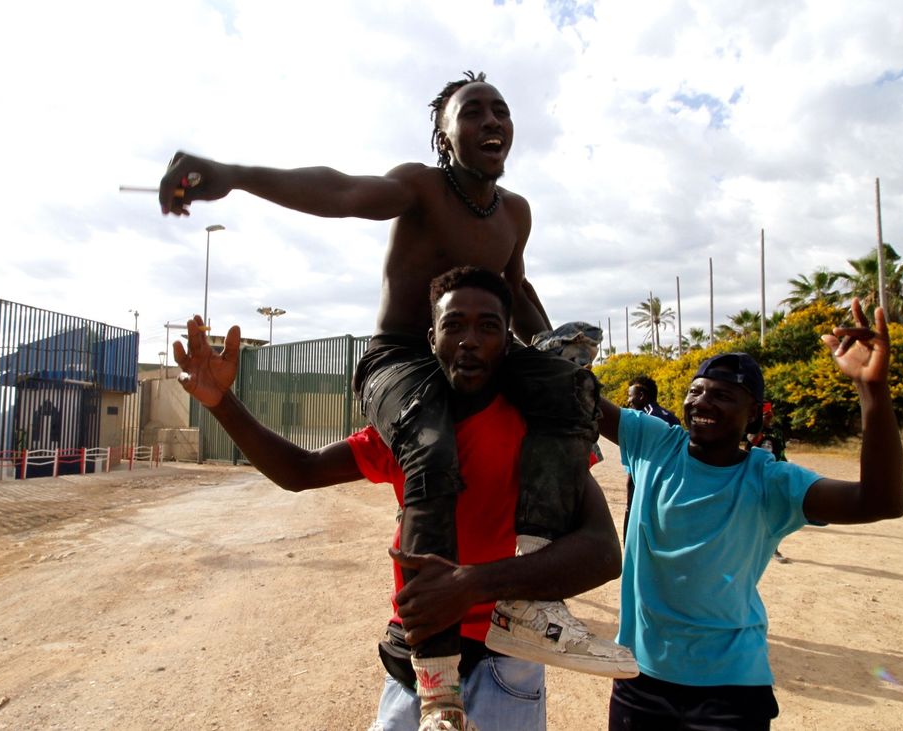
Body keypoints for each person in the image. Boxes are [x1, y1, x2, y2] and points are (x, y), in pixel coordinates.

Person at [159, 72, 632, 727]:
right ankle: (433, 679)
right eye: (473, 112)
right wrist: (234, 173)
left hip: (468, 367)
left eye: (501, 109)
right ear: (443, 135)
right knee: (432, 451)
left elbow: (516, 293)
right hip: (404, 361)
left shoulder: (515, 212)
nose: (492, 120)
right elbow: (343, 190)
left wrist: (555, 363)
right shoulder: (422, 186)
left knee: (568, 390)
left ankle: (530, 599)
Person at [172, 267, 625, 731]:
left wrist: (472, 584)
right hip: (416, 662)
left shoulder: (536, 429)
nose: (470, 340)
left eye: (488, 326)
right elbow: (300, 471)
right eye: (454, 325)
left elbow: (602, 552)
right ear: (432, 339)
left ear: (507, 343)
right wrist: (219, 402)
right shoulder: (408, 431)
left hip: (504, 662)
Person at [598, 300, 903, 730]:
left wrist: (873, 389)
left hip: (730, 690)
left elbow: (880, 502)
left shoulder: (771, 482)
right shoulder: (655, 444)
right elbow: (580, 396)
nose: (702, 401)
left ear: (755, 416)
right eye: (696, 391)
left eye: (723, 395)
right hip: (639, 677)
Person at [621, 376, 680, 536]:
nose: (628, 400)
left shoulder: (646, 419)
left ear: (641, 395)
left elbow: (642, 460)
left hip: (647, 487)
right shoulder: (670, 415)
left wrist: (630, 497)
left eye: (630, 395)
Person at [745, 401, 790, 563]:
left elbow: (781, 452)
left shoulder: (777, 432)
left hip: (773, 476)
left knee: (773, 513)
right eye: (765, 414)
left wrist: (784, 469)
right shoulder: (752, 429)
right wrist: (759, 424)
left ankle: (773, 549)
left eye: (769, 414)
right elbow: (751, 441)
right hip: (753, 475)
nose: (768, 417)